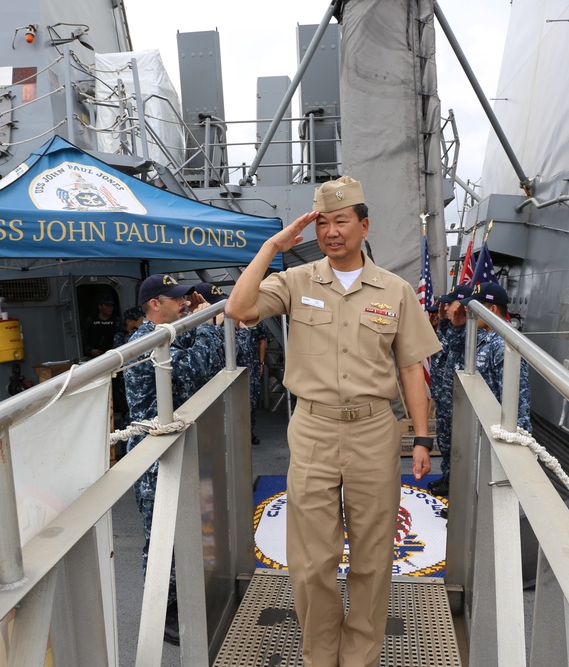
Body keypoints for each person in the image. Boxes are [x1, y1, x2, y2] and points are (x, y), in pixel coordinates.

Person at [226, 175, 441, 667]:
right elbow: (239, 308)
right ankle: (320, 655)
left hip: (373, 429)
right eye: (322, 223)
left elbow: (411, 367)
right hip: (314, 428)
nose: (331, 231)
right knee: (311, 560)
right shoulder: (296, 282)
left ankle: (360, 656)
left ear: (364, 226)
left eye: (341, 221)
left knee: (371, 556)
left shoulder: (396, 290)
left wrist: (423, 437)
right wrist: (273, 247)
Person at [123, 273, 224, 644]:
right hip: (154, 458)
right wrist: (209, 324)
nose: (184, 303)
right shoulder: (148, 341)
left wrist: (196, 320)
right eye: (176, 299)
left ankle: (180, 602)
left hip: (171, 449)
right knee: (160, 537)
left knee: (183, 530)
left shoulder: (167, 335)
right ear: (155, 304)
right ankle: (162, 614)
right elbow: (201, 367)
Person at [460, 282, 532, 432]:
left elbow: (517, 403)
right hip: (485, 425)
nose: (470, 312)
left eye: (476, 308)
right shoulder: (486, 338)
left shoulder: (503, 345)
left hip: (497, 430)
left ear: (492, 309)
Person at [427, 283, 473, 499]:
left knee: (460, 454)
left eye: (450, 303)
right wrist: (445, 321)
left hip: (459, 407)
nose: (444, 307)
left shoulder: (470, 336)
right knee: (447, 446)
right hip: (445, 401)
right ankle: (449, 480)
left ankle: (458, 492)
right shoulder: (452, 331)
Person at [235, 320, 269, 444]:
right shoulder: (227, 319)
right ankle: (238, 432)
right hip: (235, 366)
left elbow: (262, 341)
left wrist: (261, 363)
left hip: (252, 364)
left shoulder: (258, 320)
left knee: (253, 398)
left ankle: (249, 431)